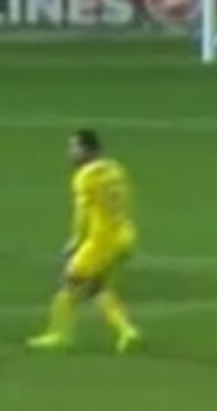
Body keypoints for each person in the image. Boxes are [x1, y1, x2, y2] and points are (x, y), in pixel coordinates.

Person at [27, 130, 142, 353]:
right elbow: (127, 200)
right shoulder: (115, 169)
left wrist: (75, 241)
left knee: (69, 284)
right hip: (125, 234)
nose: (70, 153)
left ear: (88, 150)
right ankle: (128, 332)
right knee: (96, 287)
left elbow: (81, 213)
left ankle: (60, 335)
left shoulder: (84, 177)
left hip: (101, 241)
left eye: (75, 147)